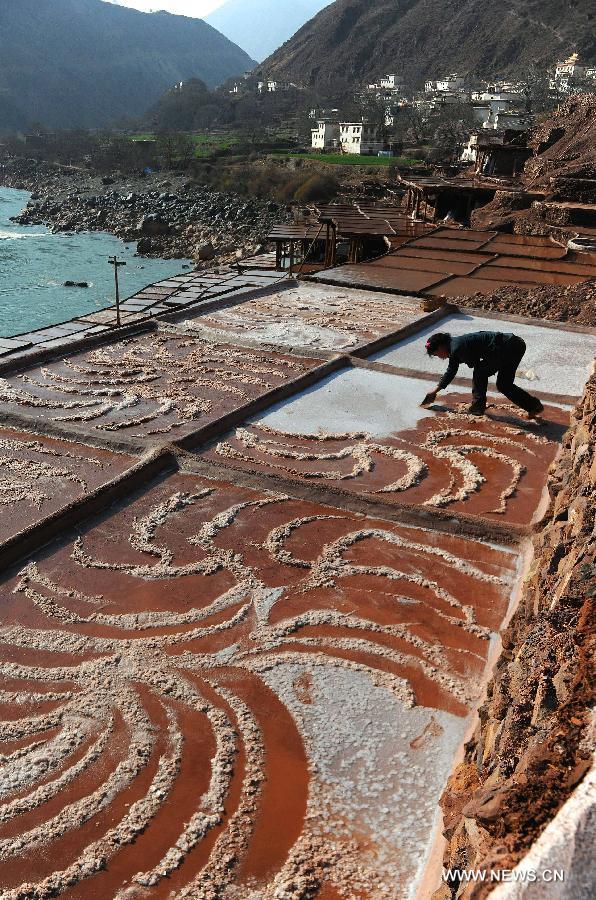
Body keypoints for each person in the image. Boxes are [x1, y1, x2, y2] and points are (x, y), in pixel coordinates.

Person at [421, 330, 545, 417]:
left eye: (437, 354)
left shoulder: (457, 347)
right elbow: (451, 370)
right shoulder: (454, 346)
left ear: (441, 347)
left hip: (508, 347)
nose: (439, 357)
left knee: (480, 372)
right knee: (504, 385)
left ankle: (477, 408)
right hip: (515, 344)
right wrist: (435, 391)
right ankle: (534, 406)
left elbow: (474, 364)